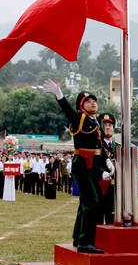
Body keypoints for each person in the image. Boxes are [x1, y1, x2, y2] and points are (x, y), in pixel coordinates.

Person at [43, 79, 109, 254]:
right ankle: (85, 242)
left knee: (85, 203)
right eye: (88, 101)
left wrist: (107, 162)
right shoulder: (80, 118)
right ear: (81, 107)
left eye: (94, 100)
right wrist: (59, 94)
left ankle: (77, 237)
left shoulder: (98, 123)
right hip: (82, 164)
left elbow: (99, 148)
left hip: (94, 165)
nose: (93, 102)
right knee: (92, 203)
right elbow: (67, 111)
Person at [99, 113, 118, 224]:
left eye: (110, 125)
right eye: (105, 125)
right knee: (98, 218)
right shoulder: (97, 146)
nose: (107, 127)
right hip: (101, 187)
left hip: (114, 188)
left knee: (113, 218)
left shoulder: (119, 147)